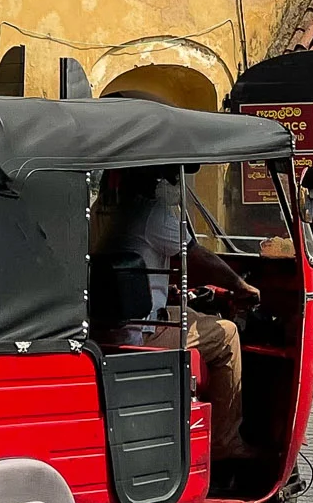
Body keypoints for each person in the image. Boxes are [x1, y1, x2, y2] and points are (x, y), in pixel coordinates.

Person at [89, 167, 260, 463]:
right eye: (166, 178)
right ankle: (225, 441)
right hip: (141, 329)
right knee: (227, 334)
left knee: (191, 312)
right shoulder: (151, 213)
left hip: (107, 325)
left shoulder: (101, 210)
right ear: (153, 182)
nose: (169, 185)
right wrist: (240, 285)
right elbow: (199, 258)